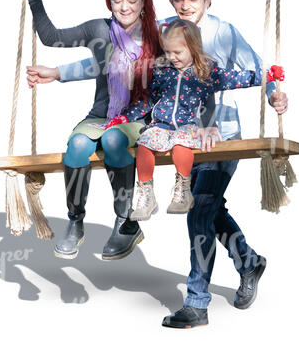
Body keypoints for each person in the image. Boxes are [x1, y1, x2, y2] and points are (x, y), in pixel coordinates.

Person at [47, 0, 288, 328]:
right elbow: (117, 61)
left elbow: (256, 69)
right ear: (170, 0)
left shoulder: (224, 32)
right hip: (177, 133)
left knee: (199, 209)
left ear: (208, 0)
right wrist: (58, 72)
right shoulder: (163, 33)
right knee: (208, 206)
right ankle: (248, 260)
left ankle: (197, 302)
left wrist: (275, 94)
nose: (185, 5)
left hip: (222, 138)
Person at [20, 0, 163, 261]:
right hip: (102, 114)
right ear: (108, 1)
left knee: (113, 140)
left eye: (132, 1)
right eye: (117, 0)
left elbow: (189, 55)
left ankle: (125, 221)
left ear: (144, 2)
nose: (124, 7)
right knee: (78, 145)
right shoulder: (99, 29)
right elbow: (51, 36)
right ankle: (75, 221)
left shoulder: (157, 35)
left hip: (138, 116)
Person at [116, 20, 279, 220]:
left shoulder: (206, 72)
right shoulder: (163, 71)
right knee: (144, 145)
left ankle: (183, 190)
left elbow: (236, 78)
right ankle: (146, 194)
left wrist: (267, 76)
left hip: (188, 124)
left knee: (181, 145)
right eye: (167, 52)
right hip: (161, 124)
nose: (171, 57)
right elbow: (149, 100)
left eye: (177, 52)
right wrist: (126, 115)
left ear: (192, 48)